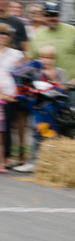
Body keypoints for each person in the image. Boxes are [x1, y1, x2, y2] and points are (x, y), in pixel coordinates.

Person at [27, 2, 75, 78]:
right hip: (45, 85)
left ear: (59, 15)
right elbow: (31, 60)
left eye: (54, 15)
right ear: (43, 16)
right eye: (48, 15)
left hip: (72, 84)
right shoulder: (35, 35)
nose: (52, 18)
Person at [0, 22, 23, 169]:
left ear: (10, 37)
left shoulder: (16, 54)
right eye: (0, 33)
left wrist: (15, 92)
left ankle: (6, 157)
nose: (3, 37)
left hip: (10, 95)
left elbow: (22, 77)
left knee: (6, 127)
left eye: (6, 34)